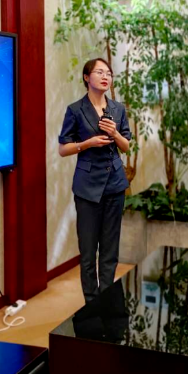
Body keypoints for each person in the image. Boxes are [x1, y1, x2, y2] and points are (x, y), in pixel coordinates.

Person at [58, 58, 131, 302]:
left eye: (108, 73)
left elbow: (126, 146)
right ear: (86, 77)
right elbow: (63, 149)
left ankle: (106, 298)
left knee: (110, 250)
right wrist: (87, 143)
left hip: (115, 184)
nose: (105, 76)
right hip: (87, 187)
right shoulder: (75, 110)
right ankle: (91, 302)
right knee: (88, 251)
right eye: (99, 72)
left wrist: (115, 133)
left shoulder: (118, 109)